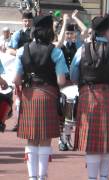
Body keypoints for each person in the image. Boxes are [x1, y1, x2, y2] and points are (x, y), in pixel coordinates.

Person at [70, 14, 109, 180]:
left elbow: (73, 76)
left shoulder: (81, 50)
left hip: (87, 96)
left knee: (91, 143)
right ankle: (104, 177)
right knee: (107, 142)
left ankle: (92, 178)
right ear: (107, 31)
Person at [13, 15, 68, 180]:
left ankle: (32, 177)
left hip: (29, 95)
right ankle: (42, 177)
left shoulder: (23, 50)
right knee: (45, 138)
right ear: (49, 30)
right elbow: (61, 81)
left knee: (31, 138)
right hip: (47, 95)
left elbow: (16, 79)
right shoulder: (55, 51)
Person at [55, 11, 87, 151]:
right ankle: (61, 139)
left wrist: (75, 18)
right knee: (61, 113)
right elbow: (60, 40)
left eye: (71, 33)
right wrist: (65, 23)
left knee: (72, 112)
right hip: (62, 81)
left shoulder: (79, 44)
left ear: (75, 34)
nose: (69, 36)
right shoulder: (59, 46)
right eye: (67, 33)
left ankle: (67, 138)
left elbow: (85, 31)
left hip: (75, 82)